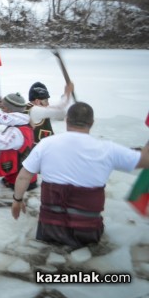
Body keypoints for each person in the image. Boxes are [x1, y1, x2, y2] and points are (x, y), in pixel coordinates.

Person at [12, 102, 149, 248]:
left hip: (49, 228)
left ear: (66, 120)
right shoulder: (108, 149)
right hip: (87, 231)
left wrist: (17, 200)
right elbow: (145, 161)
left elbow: (24, 176)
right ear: (92, 123)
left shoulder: (46, 144)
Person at [0, 93, 36, 190]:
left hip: (19, 182)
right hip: (26, 178)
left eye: (3, 107)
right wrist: (0, 109)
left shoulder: (17, 132)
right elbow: (5, 117)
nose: (1, 110)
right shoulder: (24, 120)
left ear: (8, 110)